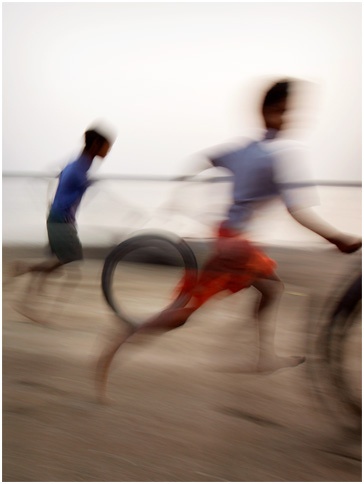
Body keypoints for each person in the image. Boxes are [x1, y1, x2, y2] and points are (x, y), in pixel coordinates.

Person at [95, 79, 361, 403]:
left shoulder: (244, 149)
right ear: (265, 111)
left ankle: (264, 357)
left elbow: (203, 161)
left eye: (290, 111)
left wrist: (181, 199)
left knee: (271, 288)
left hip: (230, 238)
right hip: (235, 246)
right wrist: (338, 238)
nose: (287, 118)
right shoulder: (275, 156)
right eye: (282, 110)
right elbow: (296, 210)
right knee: (182, 314)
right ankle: (122, 339)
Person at [13, 123, 116, 322]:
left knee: (57, 263)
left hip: (57, 218)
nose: (108, 151)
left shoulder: (78, 165)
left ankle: (27, 286)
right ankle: (42, 309)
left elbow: (61, 179)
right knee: (71, 267)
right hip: (61, 221)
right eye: (106, 146)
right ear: (95, 145)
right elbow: (73, 182)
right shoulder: (78, 169)